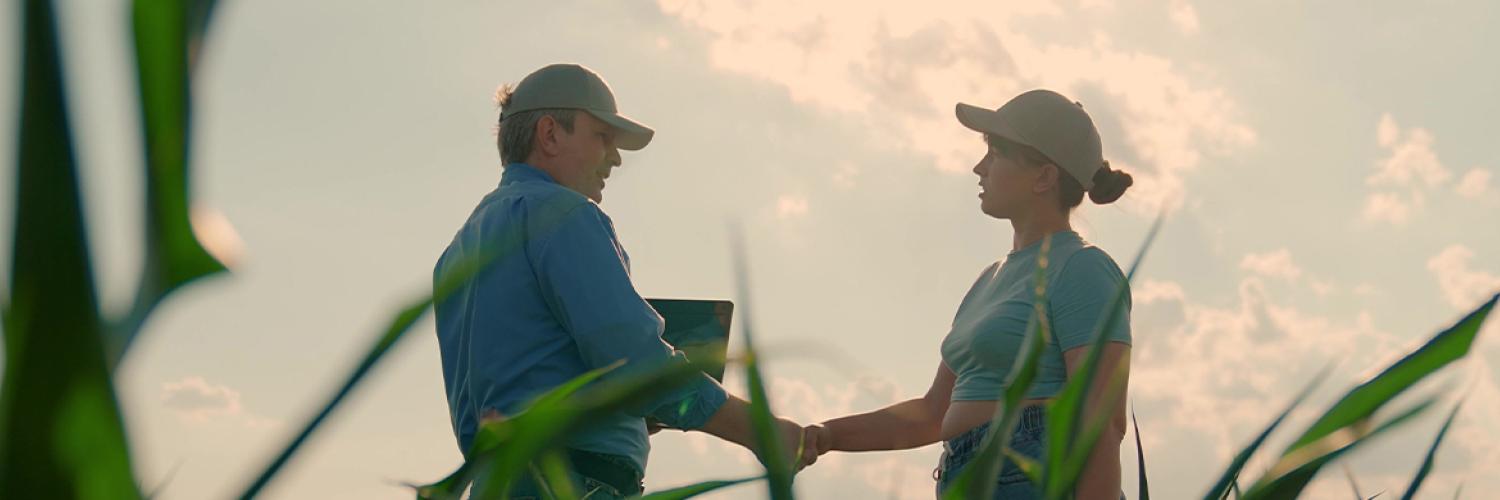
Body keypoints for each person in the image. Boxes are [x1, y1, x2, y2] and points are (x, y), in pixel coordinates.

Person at [433, 63, 821, 499]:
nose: (615, 158)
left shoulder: (457, 253)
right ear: (550, 134)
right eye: (602, 137)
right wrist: (759, 431)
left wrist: (630, 414)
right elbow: (634, 363)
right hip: (572, 483)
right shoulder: (565, 215)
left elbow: (509, 390)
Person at [804, 89, 1136, 499]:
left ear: (1045, 177)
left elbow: (1100, 420)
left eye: (995, 153)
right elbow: (931, 414)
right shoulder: (989, 279)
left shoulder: (1083, 269)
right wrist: (825, 435)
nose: (979, 168)